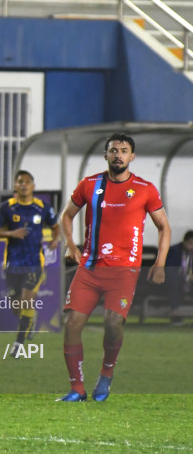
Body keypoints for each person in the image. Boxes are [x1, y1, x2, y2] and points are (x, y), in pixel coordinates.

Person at [59, 133, 170, 402]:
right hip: (89, 269)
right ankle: (77, 388)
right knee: (72, 324)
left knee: (112, 323)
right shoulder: (89, 184)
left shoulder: (145, 189)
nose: (118, 155)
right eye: (113, 150)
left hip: (124, 271)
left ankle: (106, 375)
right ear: (105, 155)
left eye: (123, 150)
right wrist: (71, 245)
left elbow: (163, 226)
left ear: (132, 156)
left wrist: (160, 263)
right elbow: (67, 215)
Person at [0, 170, 59, 356]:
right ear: (15, 185)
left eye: (27, 182)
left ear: (33, 186)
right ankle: (31, 318)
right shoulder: (6, 208)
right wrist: (11, 234)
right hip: (13, 264)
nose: (24, 185)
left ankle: (18, 345)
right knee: (16, 308)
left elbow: (56, 226)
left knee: (27, 301)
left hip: (34, 263)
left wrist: (56, 239)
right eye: (20, 181)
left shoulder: (43, 207)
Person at [165, 230, 193, 326]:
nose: (191, 247)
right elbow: (170, 270)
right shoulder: (174, 251)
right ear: (184, 242)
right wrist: (186, 277)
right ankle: (174, 314)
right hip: (175, 280)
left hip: (189, 282)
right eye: (190, 244)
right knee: (174, 282)